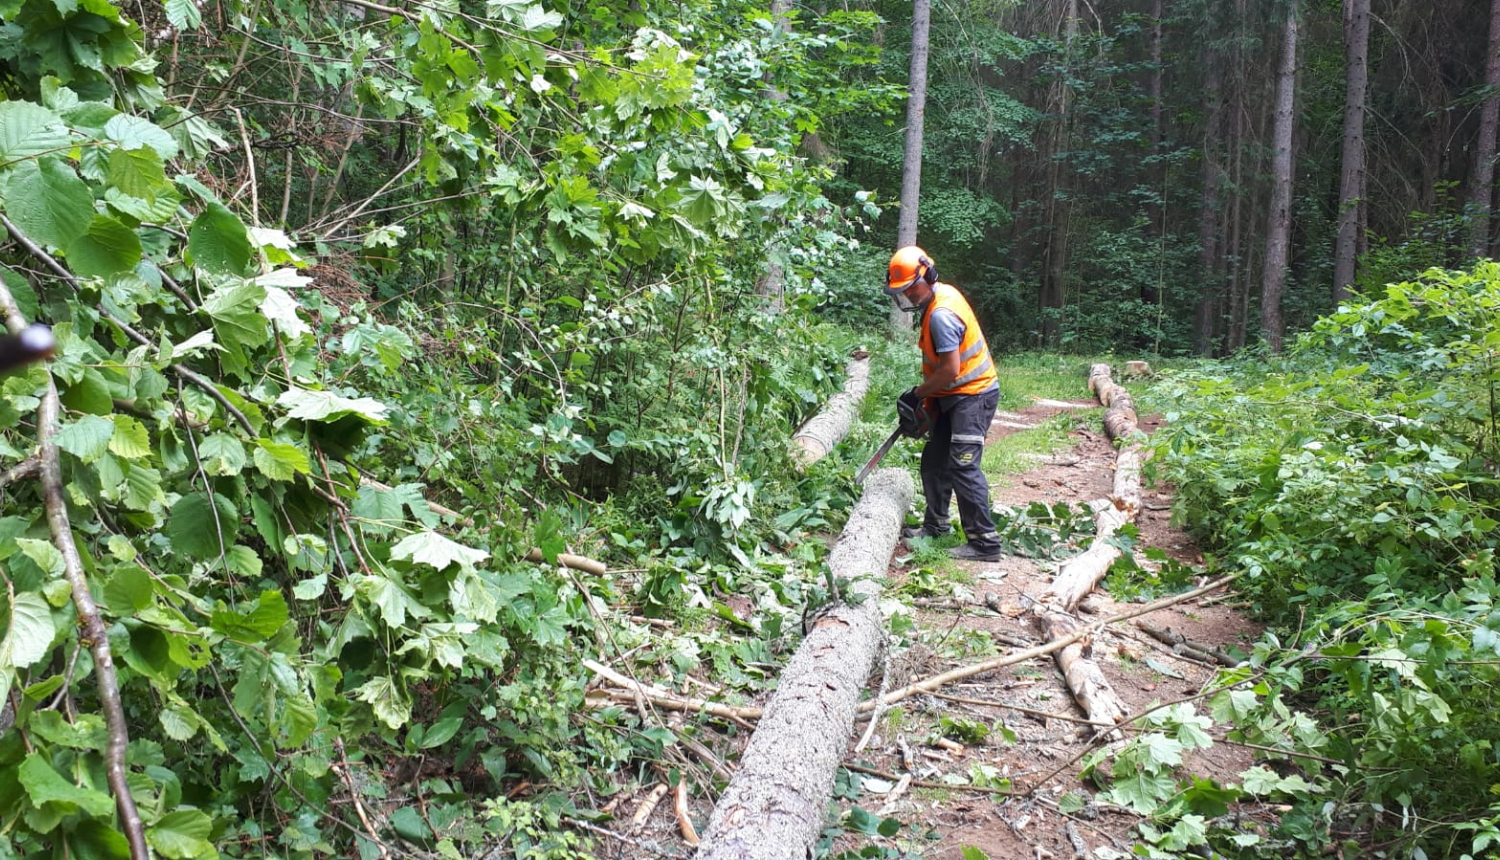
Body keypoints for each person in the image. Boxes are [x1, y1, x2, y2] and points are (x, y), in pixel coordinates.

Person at [886, 245, 1002, 562]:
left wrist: (919, 394)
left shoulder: (940, 315)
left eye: (912, 288)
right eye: (903, 290)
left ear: (928, 276)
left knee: (963, 465)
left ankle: (985, 543)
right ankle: (936, 525)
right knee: (935, 459)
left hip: (973, 396)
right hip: (954, 395)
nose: (908, 295)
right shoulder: (938, 298)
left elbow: (950, 369)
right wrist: (931, 403)